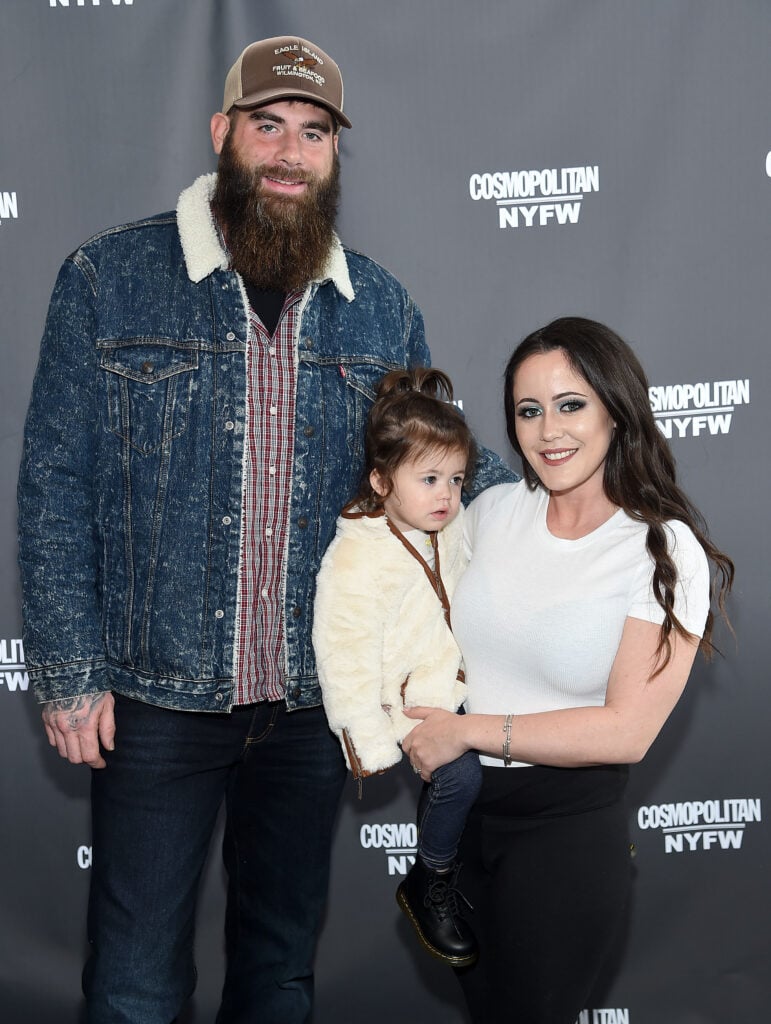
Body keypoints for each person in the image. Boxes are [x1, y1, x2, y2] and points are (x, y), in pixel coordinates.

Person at [16, 35, 512, 1024]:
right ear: (223, 134)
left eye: (313, 131)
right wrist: (70, 670)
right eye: (268, 124)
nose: (289, 150)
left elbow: (439, 469)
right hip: (155, 699)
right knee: (133, 983)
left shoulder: (381, 309)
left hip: (312, 707)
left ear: (334, 153)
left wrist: (581, 499)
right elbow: (55, 479)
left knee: (280, 969)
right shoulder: (109, 278)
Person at [402, 317, 734, 1023]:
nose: (548, 429)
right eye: (528, 410)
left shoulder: (660, 548)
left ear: (615, 408)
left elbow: (625, 732)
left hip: (562, 833)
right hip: (457, 819)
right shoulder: (489, 512)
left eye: (569, 404)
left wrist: (467, 733)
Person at [313, 367, 482, 968]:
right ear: (382, 481)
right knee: (461, 779)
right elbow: (344, 652)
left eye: (457, 479)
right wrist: (367, 739)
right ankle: (427, 879)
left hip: (463, 683)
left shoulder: (453, 524)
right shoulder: (356, 556)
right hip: (406, 701)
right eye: (430, 478)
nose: (446, 495)